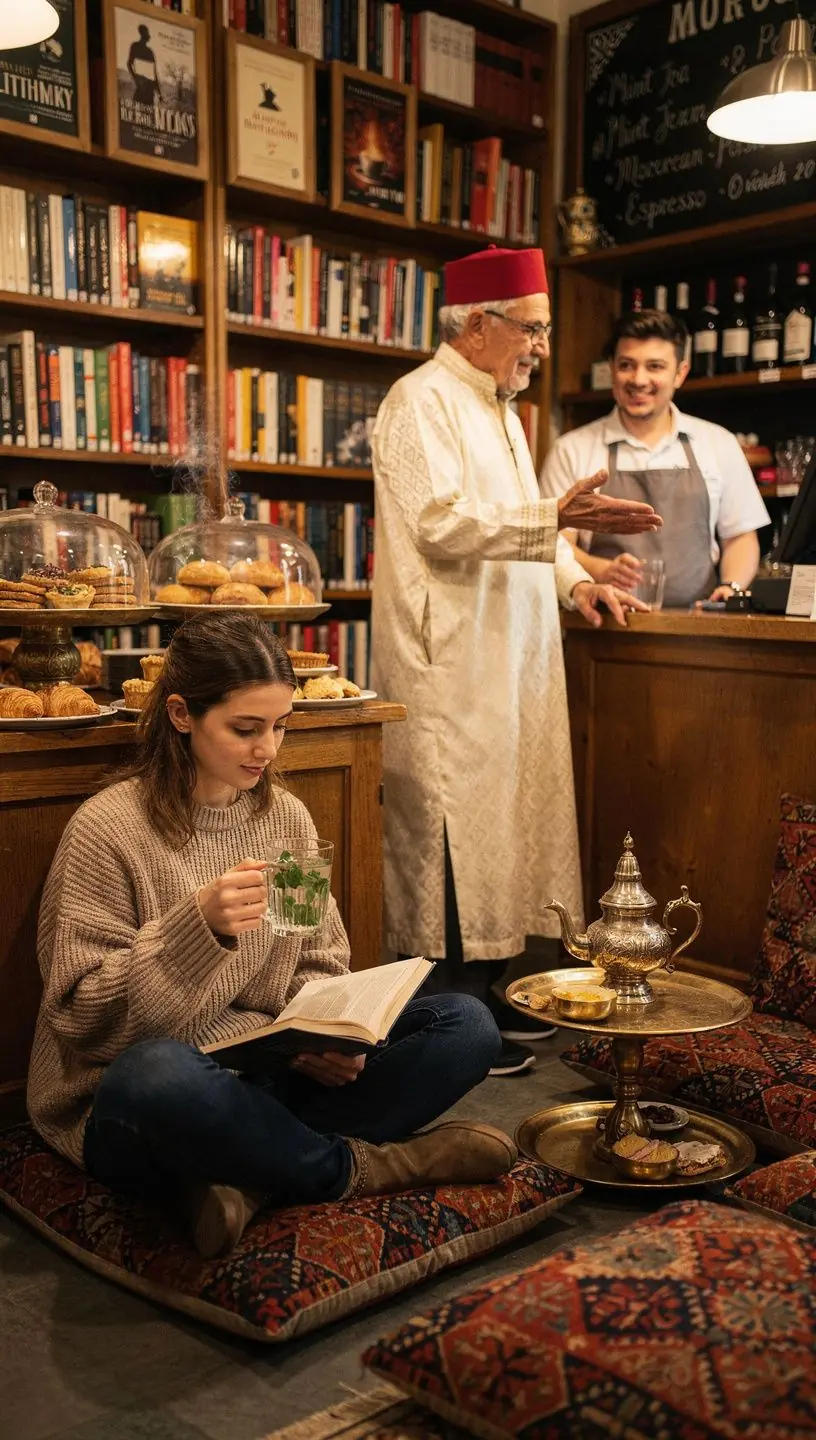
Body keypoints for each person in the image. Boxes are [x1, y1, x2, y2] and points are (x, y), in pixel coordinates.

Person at [27, 613, 516, 1259]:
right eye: (245, 729)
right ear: (181, 714)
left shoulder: (283, 819)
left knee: (466, 1025)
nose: (268, 749)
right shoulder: (109, 831)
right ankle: (361, 1169)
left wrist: (321, 1037)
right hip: (137, 1096)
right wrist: (192, 928)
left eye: (280, 726)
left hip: (267, 1072)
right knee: (157, 1077)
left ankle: (244, 1177)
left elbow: (314, 958)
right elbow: (85, 1024)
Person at [371, 245, 658, 1077]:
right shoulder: (418, 399)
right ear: (476, 325)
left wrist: (575, 584)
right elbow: (442, 522)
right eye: (530, 329)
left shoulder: (499, 409)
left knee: (504, 822)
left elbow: (527, 527)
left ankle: (490, 988)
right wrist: (553, 524)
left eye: (543, 330)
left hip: (512, 653)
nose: (539, 345)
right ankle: (441, 1011)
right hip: (452, 659)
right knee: (454, 827)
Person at [540, 309, 770, 606]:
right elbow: (554, 542)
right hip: (603, 626)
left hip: (703, 629)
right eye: (626, 365)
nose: (639, 379)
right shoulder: (571, 449)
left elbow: (740, 537)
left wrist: (731, 586)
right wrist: (601, 570)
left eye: (655, 366)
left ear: (680, 373)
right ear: (611, 368)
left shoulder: (718, 443)